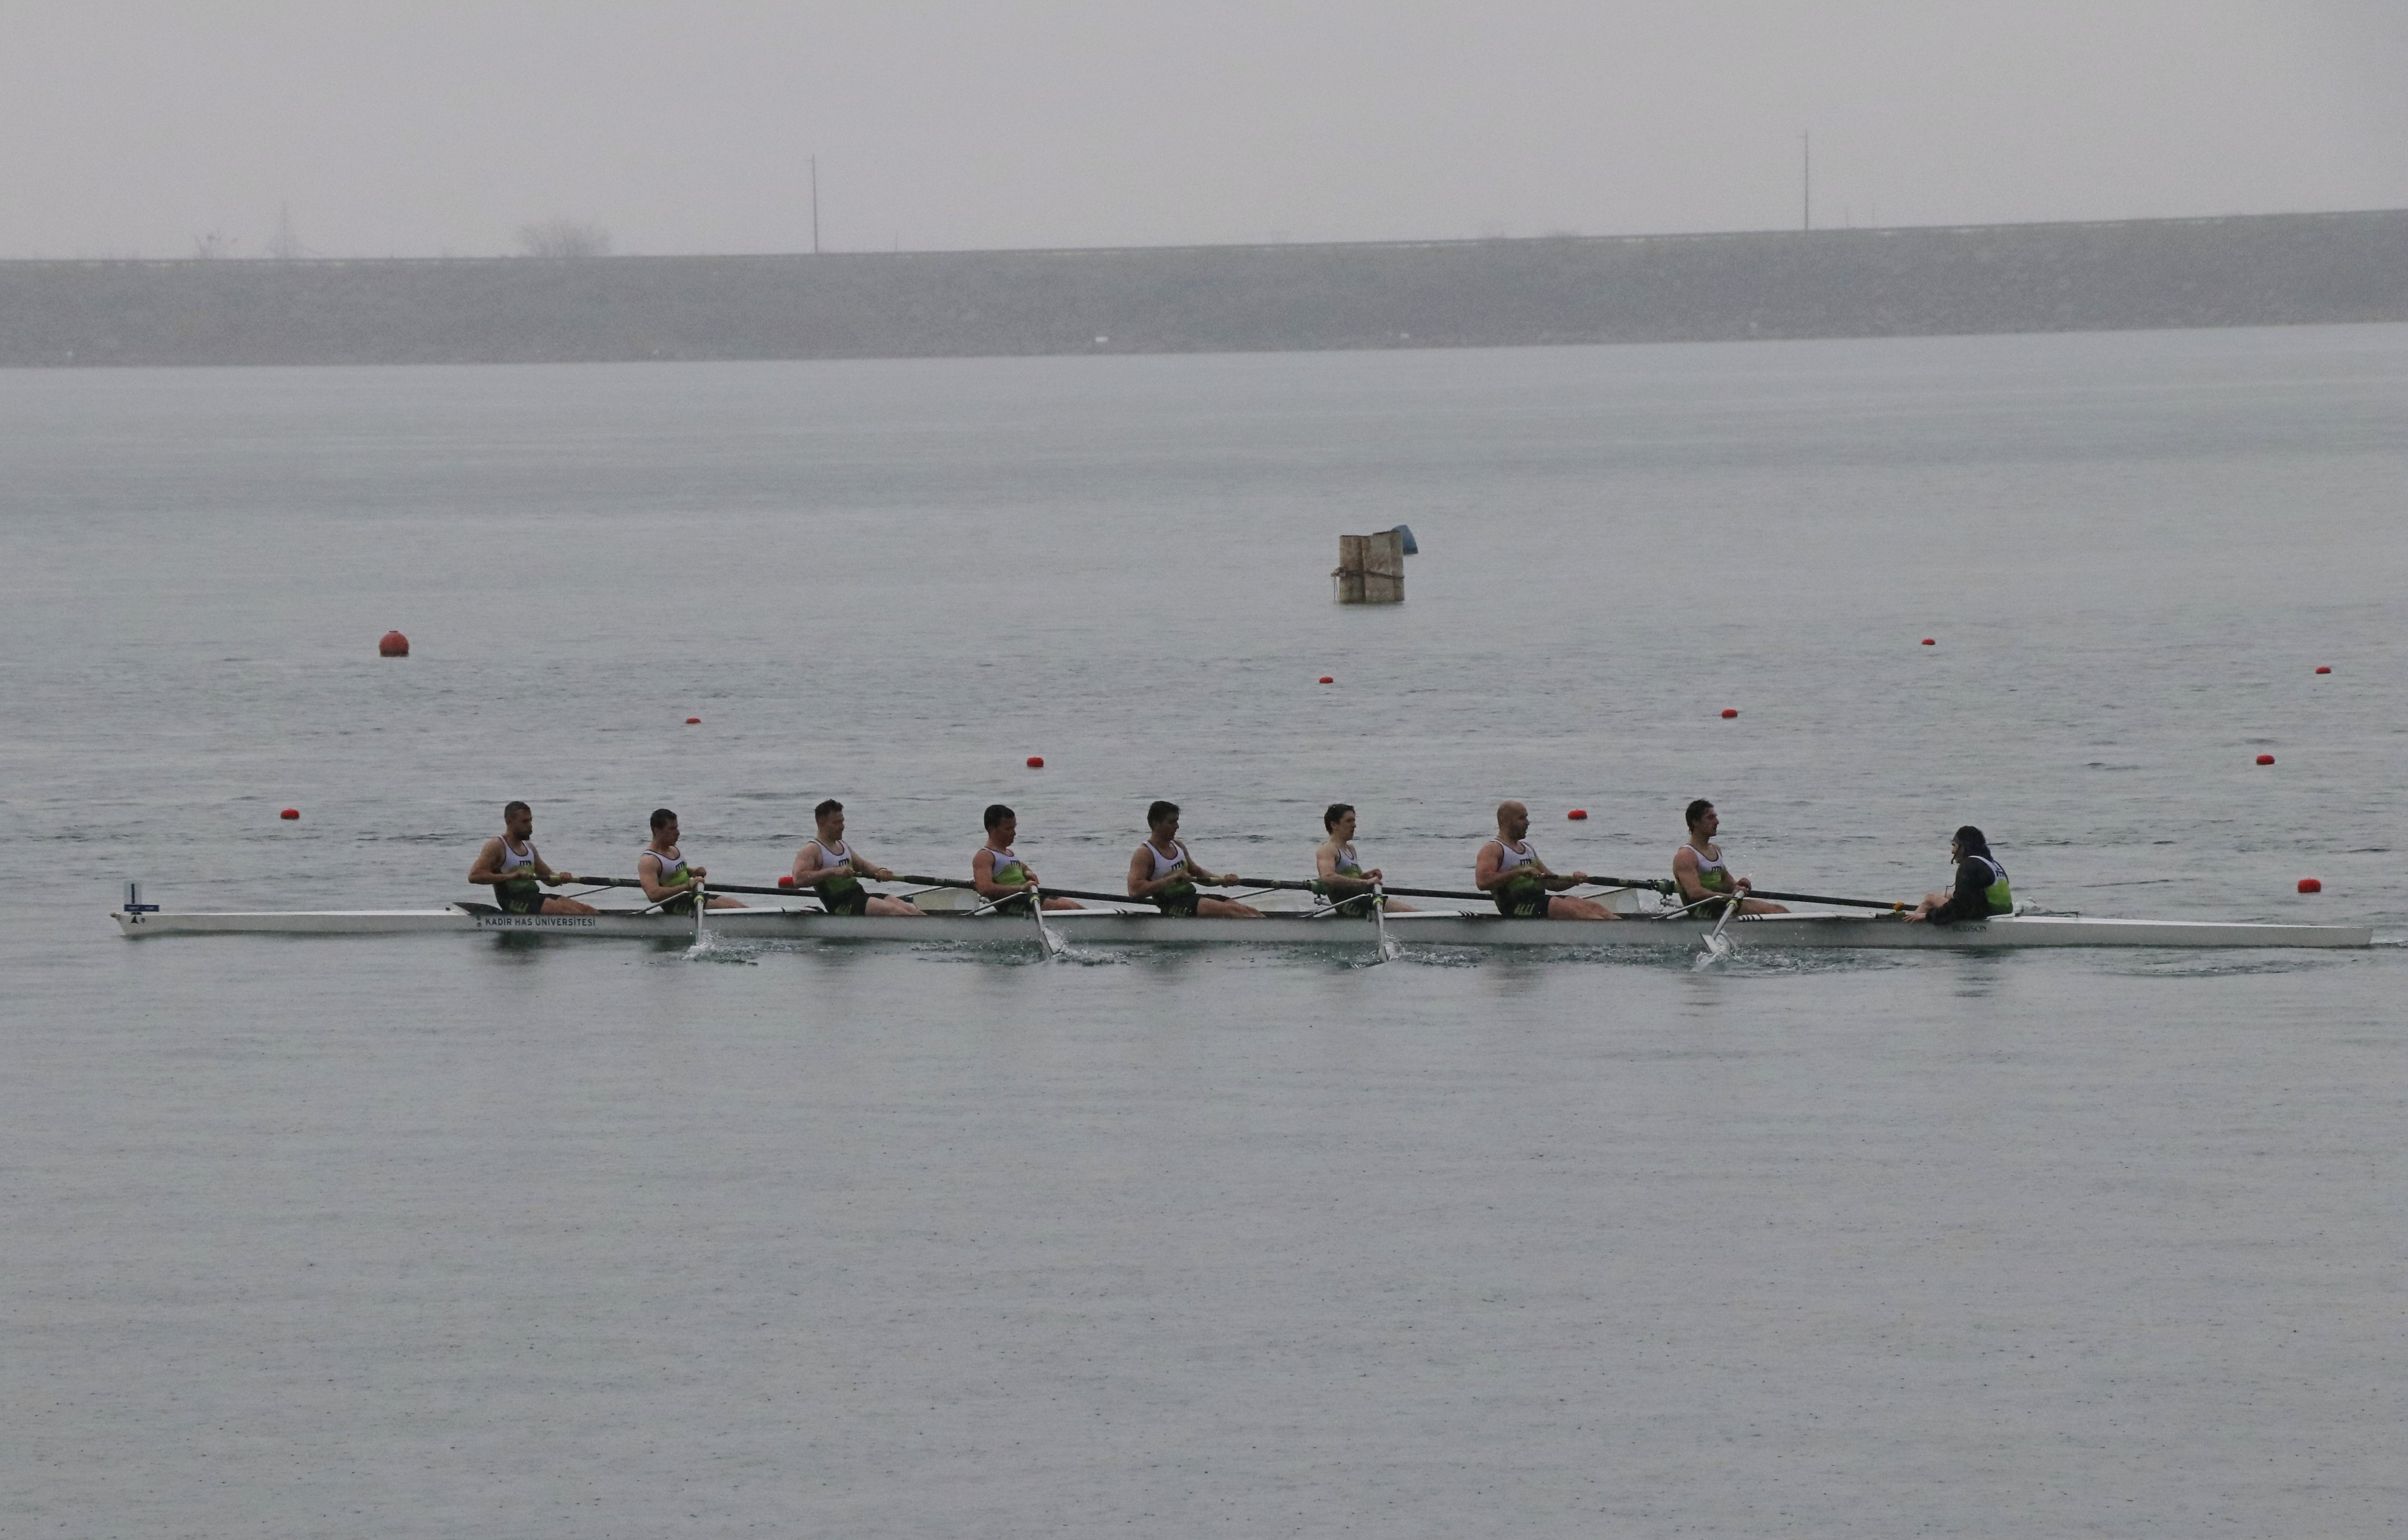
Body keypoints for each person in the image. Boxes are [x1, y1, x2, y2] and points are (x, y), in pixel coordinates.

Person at [1475, 800, 1619, 920]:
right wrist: (1519, 872)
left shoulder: (1527, 848)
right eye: (1522, 818)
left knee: (1586, 905)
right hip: (1515, 907)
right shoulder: (1493, 849)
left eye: (1527, 817)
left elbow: (1550, 882)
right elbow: (1482, 882)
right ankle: (1608, 933)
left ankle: (1619, 926)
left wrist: (1574, 880)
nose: (1528, 823)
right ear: (1506, 822)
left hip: (1539, 901)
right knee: (1569, 909)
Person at [1127, 800, 1263, 917]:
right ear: (1156, 824)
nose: (1177, 827)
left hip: (1191, 899)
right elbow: (1134, 891)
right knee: (1232, 911)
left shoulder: (1178, 845)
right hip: (1172, 905)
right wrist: (1172, 879)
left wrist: (1223, 880)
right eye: (1171, 822)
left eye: (1177, 821)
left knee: (1249, 911)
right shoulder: (1145, 853)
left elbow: (1197, 872)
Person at [793, 799, 923, 917]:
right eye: (837, 823)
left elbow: (863, 866)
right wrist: (832, 871)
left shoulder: (842, 845)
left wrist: (881, 871)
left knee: (912, 912)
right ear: (821, 823)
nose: (842, 826)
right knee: (898, 914)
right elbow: (798, 880)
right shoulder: (812, 850)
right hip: (841, 906)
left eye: (842, 821)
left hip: (860, 896)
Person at [468, 801, 597, 915]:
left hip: (534, 898)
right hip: (513, 901)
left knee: (588, 911)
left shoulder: (529, 847)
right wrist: (511, 876)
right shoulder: (496, 846)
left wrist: (561, 878)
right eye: (525, 821)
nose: (530, 826)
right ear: (509, 822)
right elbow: (475, 877)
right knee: (571, 913)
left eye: (530, 820)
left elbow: (548, 879)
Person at [1674, 799, 1788, 916]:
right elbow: (1695, 893)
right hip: (1703, 909)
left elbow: (1725, 880)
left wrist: (1738, 887)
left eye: (1716, 817)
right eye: (1710, 818)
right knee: (1777, 911)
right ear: (1696, 822)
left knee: (1780, 909)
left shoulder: (1715, 849)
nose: (1717, 822)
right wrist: (1729, 897)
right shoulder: (1686, 855)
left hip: (1721, 904)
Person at [973, 804, 1083, 912]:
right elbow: (984, 888)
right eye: (1008, 829)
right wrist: (1021, 888)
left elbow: (1022, 867)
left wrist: (1027, 872)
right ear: (993, 830)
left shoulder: (1008, 853)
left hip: (1026, 896)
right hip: (1011, 902)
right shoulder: (984, 856)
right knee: (1065, 907)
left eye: (1014, 828)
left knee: (1075, 907)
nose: (1014, 834)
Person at [1313, 803, 1415, 914]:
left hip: (1361, 898)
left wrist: (1366, 876)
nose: (1354, 825)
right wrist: (1365, 883)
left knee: (1411, 911)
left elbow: (1353, 878)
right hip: (1349, 904)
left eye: (1354, 821)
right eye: (1349, 821)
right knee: (1406, 911)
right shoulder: (1328, 849)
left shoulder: (1351, 849)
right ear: (1334, 825)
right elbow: (1327, 877)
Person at [639, 808, 746, 912]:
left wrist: (693, 872)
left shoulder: (673, 850)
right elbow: (653, 895)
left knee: (742, 908)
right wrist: (688, 886)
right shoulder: (649, 861)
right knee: (733, 910)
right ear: (657, 830)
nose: (678, 833)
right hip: (675, 904)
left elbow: (673, 871)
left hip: (693, 896)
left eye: (677, 828)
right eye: (672, 829)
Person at [1906, 826, 2013, 924]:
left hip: (1983, 916)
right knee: (1947, 896)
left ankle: (1909, 929)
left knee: (1930, 899)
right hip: (2002, 913)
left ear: (1963, 847)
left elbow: (1960, 907)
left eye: (1954, 846)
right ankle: (1914, 918)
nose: (1953, 852)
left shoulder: (1969, 865)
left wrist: (1929, 916)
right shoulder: (1993, 864)